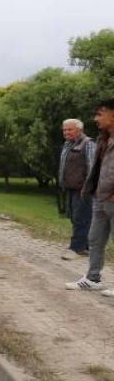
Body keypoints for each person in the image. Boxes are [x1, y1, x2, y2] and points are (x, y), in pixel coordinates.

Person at [65, 98, 114, 297]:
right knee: (94, 239)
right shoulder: (103, 138)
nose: (96, 119)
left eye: (100, 114)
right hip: (100, 196)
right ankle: (93, 278)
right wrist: (92, 190)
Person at [58, 119, 96, 261]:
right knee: (76, 217)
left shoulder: (88, 144)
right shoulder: (68, 144)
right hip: (71, 187)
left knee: (81, 218)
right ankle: (85, 246)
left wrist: (88, 187)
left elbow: (92, 168)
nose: (66, 132)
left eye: (70, 129)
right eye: (65, 130)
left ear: (79, 130)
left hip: (83, 189)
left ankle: (76, 248)